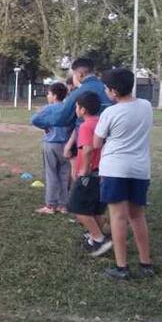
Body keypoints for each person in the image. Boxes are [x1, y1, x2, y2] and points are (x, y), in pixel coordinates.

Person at [94, 68, 154, 280]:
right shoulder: (146, 106)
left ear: (113, 91)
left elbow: (96, 142)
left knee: (118, 218)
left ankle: (122, 268)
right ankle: (146, 264)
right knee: (137, 216)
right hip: (140, 169)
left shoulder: (109, 113)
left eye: (106, 89)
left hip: (115, 169)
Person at [67, 91, 112, 257]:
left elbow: (87, 149)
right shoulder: (101, 122)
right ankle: (94, 237)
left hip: (90, 172)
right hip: (103, 171)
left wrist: (83, 171)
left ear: (83, 109)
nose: (75, 109)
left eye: (76, 106)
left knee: (77, 207)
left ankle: (100, 239)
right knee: (96, 209)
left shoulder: (86, 126)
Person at [30, 82, 71, 214]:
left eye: (48, 93)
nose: (48, 96)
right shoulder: (67, 108)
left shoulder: (49, 108)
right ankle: (63, 205)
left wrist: (46, 126)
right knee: (65, 175)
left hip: (51, 144)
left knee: (51, 174)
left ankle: (50, 205)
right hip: (66, 145)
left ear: (54, 95)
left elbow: (34, 119)